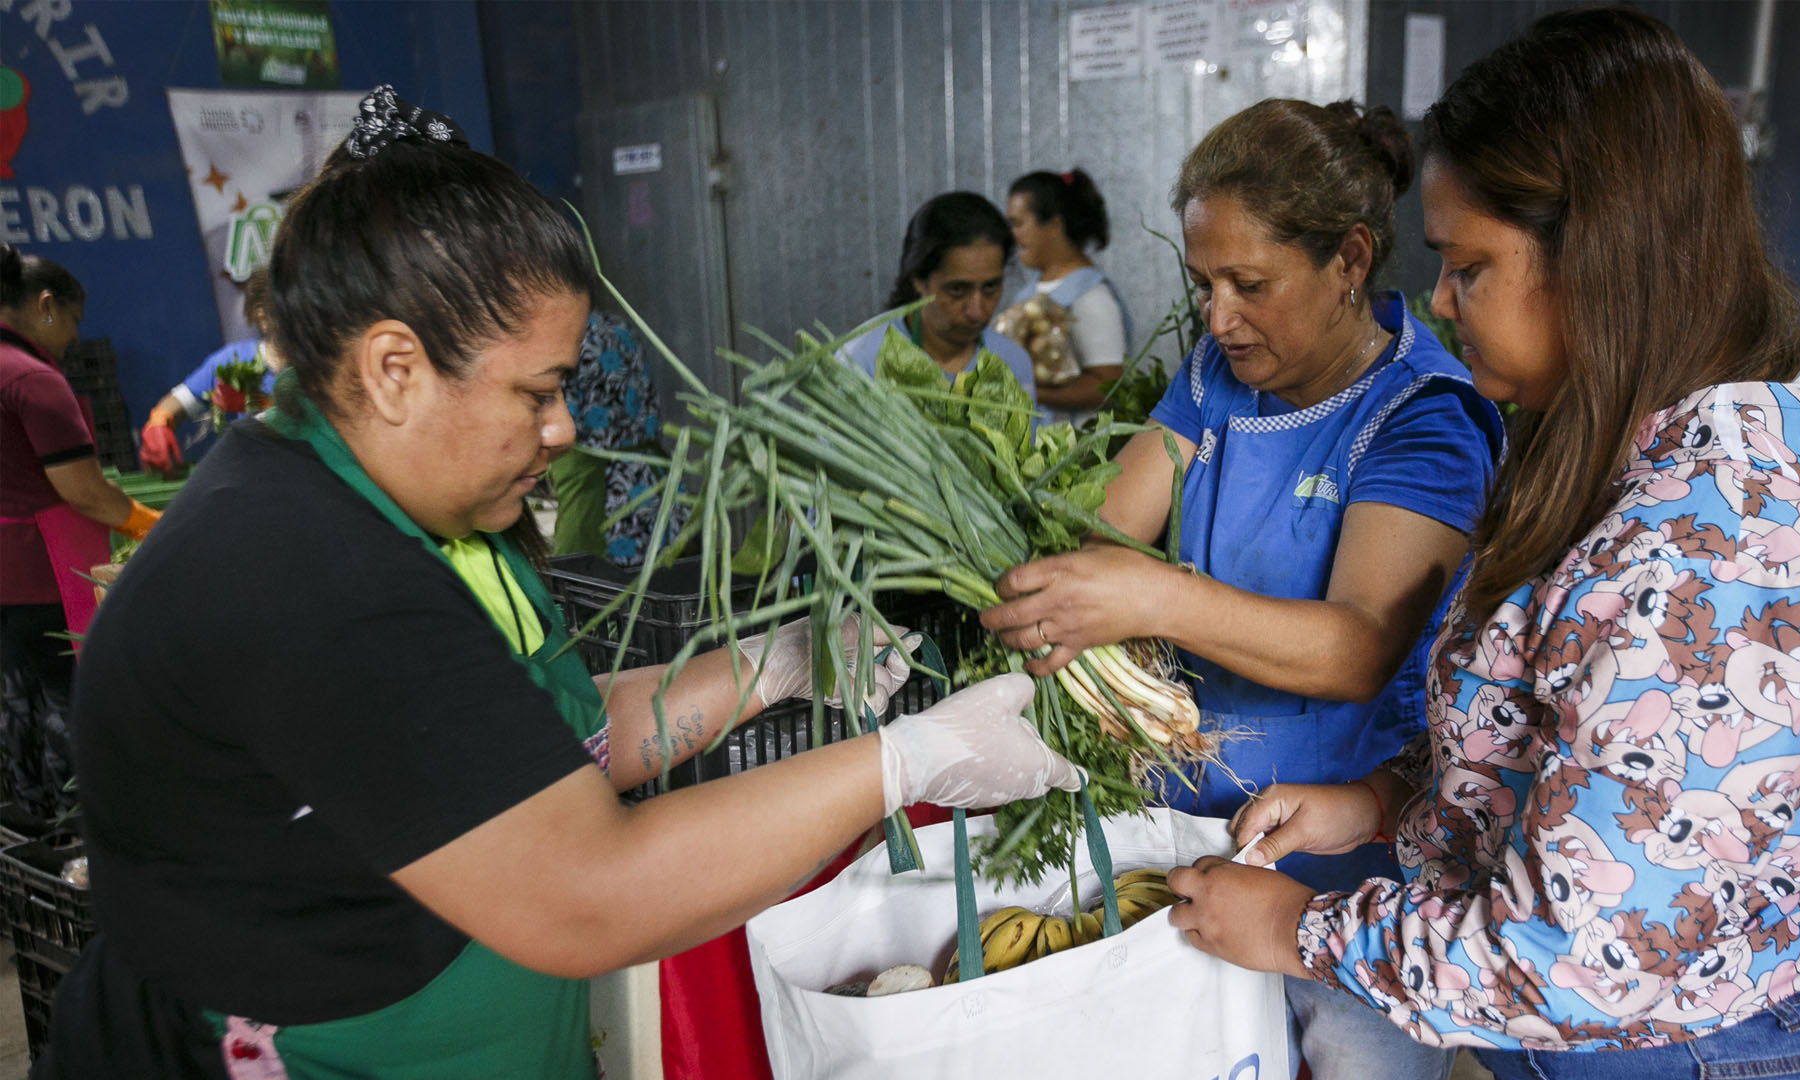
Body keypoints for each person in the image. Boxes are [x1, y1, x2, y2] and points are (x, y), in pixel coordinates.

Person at [38, 87, 1080, 1078]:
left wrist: (776, 663)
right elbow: (592, 892)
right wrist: (908, 761)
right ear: (395, 368)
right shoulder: (303, 574)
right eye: (537, 393)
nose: (565, 430)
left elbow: (537, 746)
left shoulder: (418, 517)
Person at [1166, 11, 1800, 1080]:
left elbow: (1579, 957)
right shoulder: (1639, 435)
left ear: (1600, 256)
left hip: (1723, 1050)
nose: (1438, 301)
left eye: (1469, 267)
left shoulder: (1720, 554)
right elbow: (1570, 730)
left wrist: (1298, 929)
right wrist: (1383, 800)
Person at [981, 100, 1503, 1080]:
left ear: (1349, 259)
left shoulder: (1423, 419)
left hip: (1352, 868)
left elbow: (1356, 649)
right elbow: (1104, 519)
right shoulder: (1217, 377)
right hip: (1192, 833)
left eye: (1248, 283)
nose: (1217, 317)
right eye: (1203, 283)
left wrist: (1153, 599)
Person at [0, 245, 159, 821]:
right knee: (71, 700)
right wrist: (154, 525)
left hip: (5, 579)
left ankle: (34, 823)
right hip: (45, 565)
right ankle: (84, 830)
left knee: (17, 702)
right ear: (45, 306)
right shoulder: (32, 379)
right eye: (72, 319)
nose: (70, 335)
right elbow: (85, 491)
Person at [841, 191, 1036, 397]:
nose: (977, 312)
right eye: (957, 290)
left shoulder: (1012, 364)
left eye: (990, 287)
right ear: (918, 280)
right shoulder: (862, 363)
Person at [548, 302, 685, 565]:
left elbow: (561, 420)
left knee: (602, 594)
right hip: (653, 485)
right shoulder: (616, 324)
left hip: (609, 500)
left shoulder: (566, 337)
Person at [1004, 168, 1131, 424]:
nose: (1013, 235)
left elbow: (1107, 384)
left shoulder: (1091, 296)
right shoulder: (1030, 292)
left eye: (1018, 223)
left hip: (1076, 450)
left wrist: (1027, 392)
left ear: (1053, 225)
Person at [138, 274, 283, 474]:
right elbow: (179, 402)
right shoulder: (234, 360)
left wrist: (261, 402)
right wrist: (159, 422)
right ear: (262, 315)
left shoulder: (324, 363)